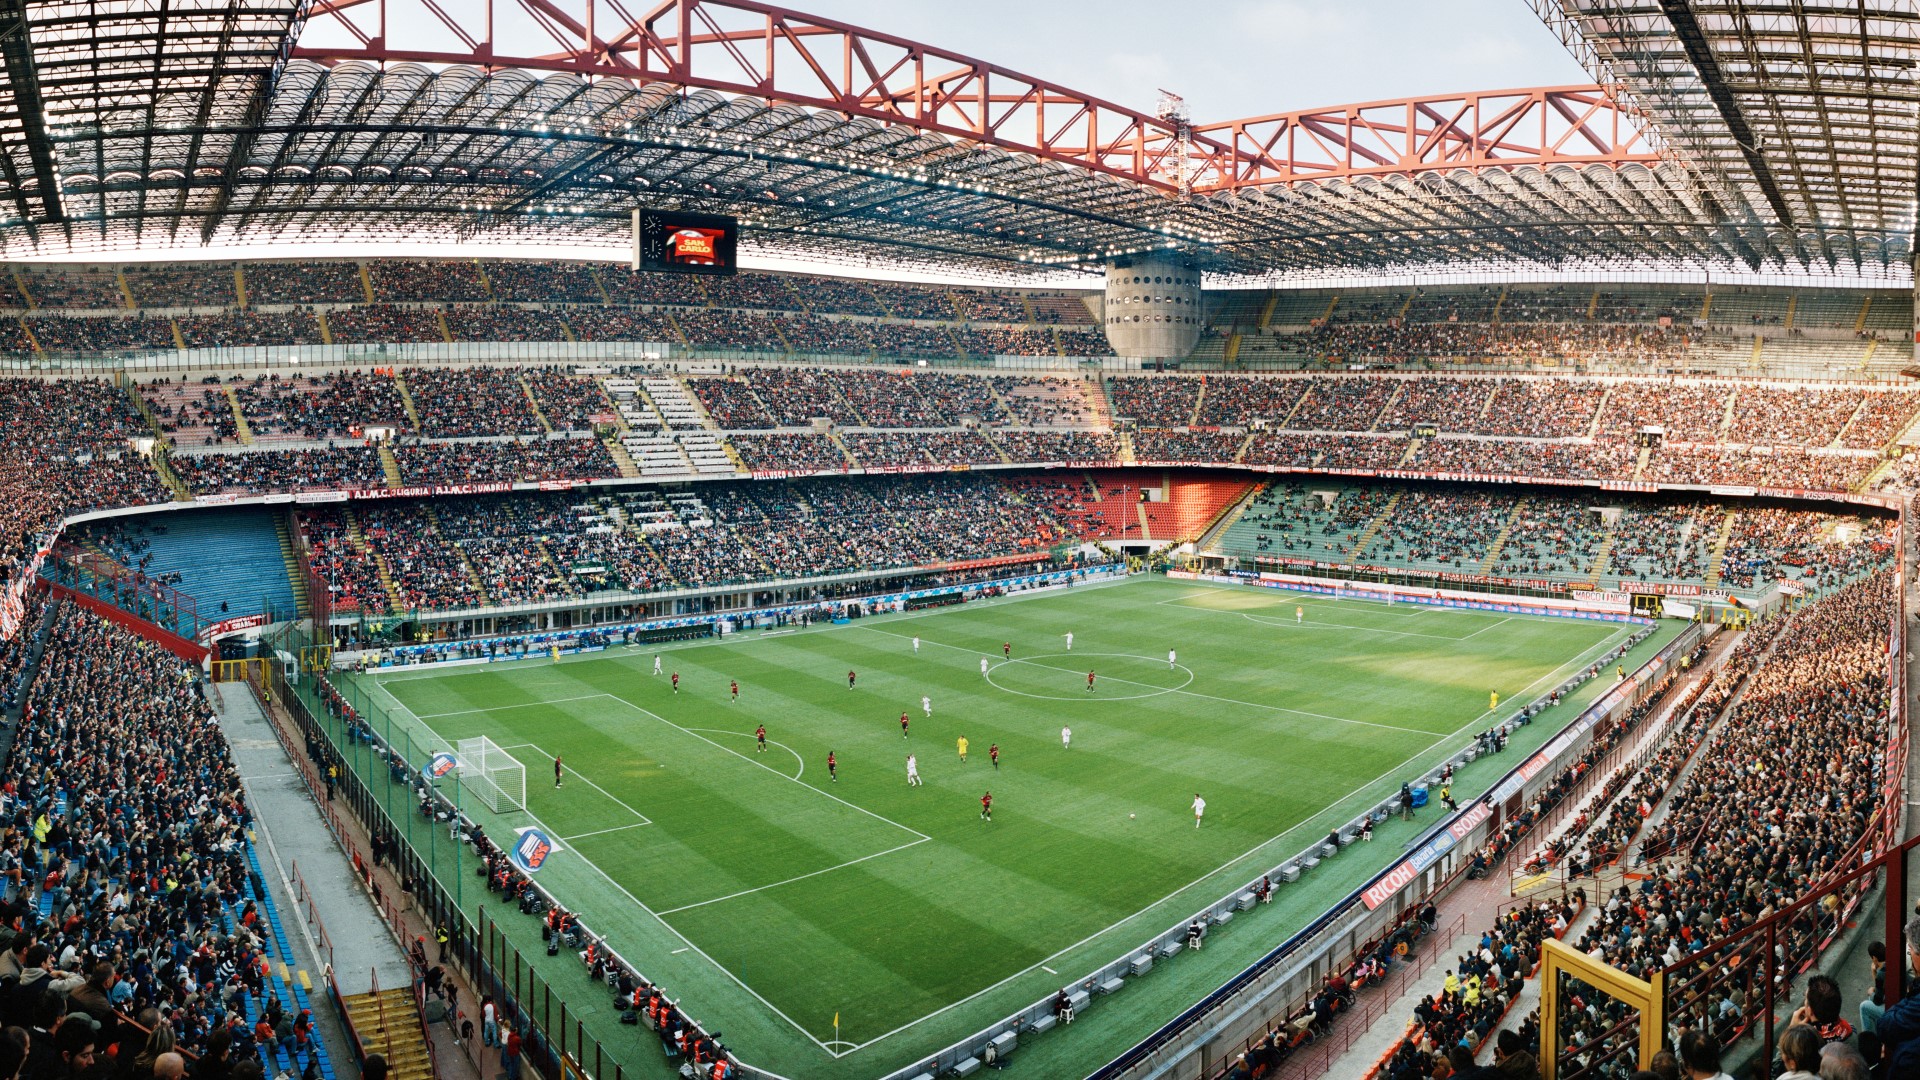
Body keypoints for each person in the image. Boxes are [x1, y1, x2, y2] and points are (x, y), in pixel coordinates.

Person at [1872, 914, 1920, 1076]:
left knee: (1865, 1006)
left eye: (1911, 949)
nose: (1909, 953)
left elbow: (1885, 1025)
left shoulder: (1883, 973)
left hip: (1908, 1067)